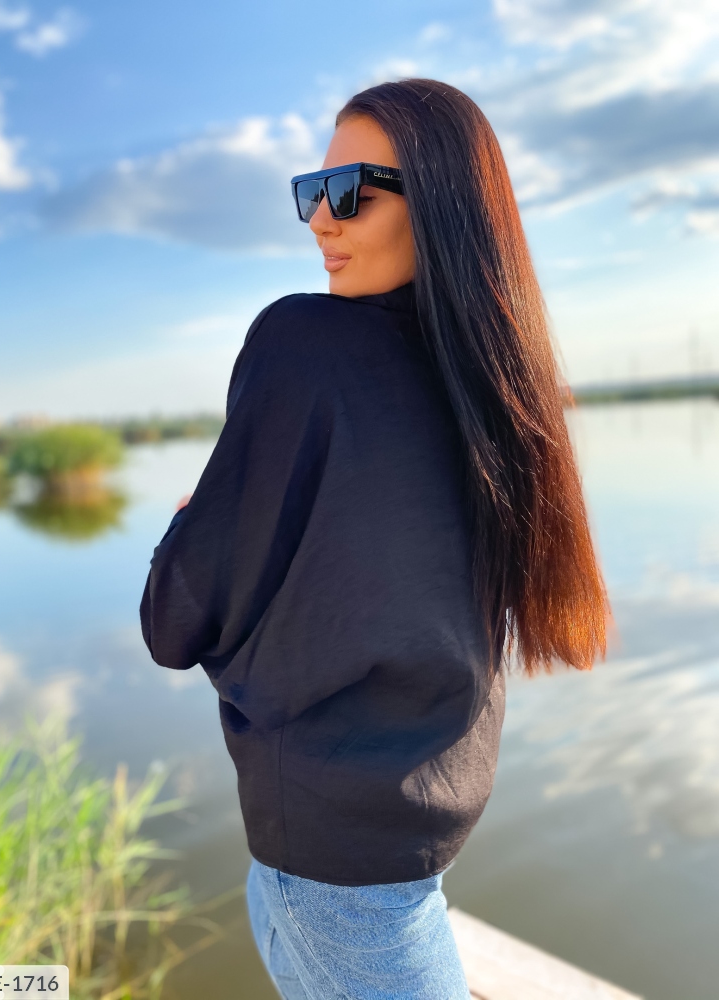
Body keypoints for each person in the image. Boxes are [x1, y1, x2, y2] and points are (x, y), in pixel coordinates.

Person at [140, 78, 609, 1000]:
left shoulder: (303, 342)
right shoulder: (493, 388)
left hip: (332, 884)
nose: (321, 220)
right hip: (394, 865)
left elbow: (174, 622)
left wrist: (195, 518)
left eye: (349, 191)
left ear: (438, 203)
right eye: (310, 193)